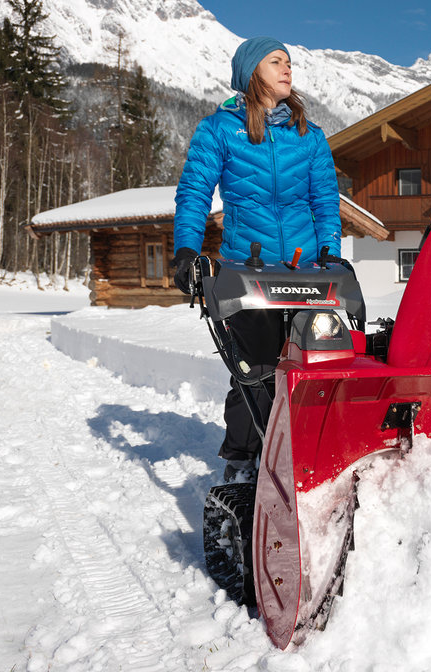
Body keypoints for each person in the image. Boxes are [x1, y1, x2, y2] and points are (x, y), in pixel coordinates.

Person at [172, 36, 342, 481]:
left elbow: (325, 201)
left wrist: (331, 255)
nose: (287, 68)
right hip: (247, 272)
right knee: (256, 369)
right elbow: (194, 193)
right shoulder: (219, 130)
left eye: (290, 61)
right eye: (276, 61)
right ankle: (244, 462)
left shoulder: (309, 135)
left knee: (321, 361)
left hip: (309, 274)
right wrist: (187, 250)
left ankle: (316, 450)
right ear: (252, 73)